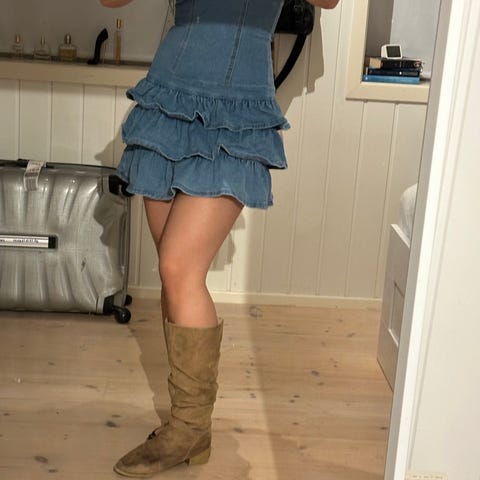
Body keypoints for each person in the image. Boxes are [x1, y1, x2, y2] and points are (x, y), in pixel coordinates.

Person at [99, 0, 339, 477]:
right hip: (169, 99)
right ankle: (187, 427)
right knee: (173, 275)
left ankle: (188, 429)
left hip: (237, 109)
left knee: (178, 268)